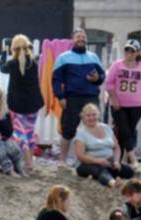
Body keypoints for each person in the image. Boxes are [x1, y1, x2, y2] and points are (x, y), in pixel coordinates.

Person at [52, 28, 105, 164]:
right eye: (78, 37)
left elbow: (102, 76)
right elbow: (56, 80)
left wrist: (96, 79)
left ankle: (92, 160)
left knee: (93, 128)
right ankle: (62, 160)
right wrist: (61, 97)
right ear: (72, 40)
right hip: (72, 98)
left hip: (91, 98)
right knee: (68, 130)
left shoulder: (93, 57)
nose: (81, 39)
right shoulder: (63, 57)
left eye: (83, 36)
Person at [105, 39, 141, 167]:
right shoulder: (117, 65)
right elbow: (108, 83)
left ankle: (121, 159)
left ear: (137, 52)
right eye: (127, 50)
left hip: (137, 105)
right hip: (118, 105)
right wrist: (114, 99)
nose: (129, 53)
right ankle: (133, 159)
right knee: (124, 130)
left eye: (132, 50)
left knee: (128, 131)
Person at [1, 34, 43, 170]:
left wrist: (4, 52)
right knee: (29, 133)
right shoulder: (35, 62)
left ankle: (25, 161)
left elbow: (1, 67)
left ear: (14, 49)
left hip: (17, 105)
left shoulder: (12, 64)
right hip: (33, 103)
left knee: (20, 134)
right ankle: (30, 162)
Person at [74, 103, 134, 187]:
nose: (91, 118)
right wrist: (99, 161)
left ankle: (97, 176)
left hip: (108, 161)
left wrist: (116, 161)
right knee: (100, 170)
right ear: (83, 117)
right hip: (88, 163)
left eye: (94, 115)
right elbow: (80, 156)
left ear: (98, 115)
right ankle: (112, 183)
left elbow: (116, 147)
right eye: (88, 115)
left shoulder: (106, 127)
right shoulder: (81, 132)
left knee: (128, 171)